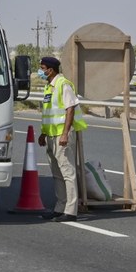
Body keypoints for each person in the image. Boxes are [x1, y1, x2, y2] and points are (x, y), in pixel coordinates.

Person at [37, 56, 88, 222]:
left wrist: (65, 133)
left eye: (43, 68)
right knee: (57, 173)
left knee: (68, 172)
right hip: (51, 135)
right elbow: (49, 114)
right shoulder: (49, 87)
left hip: (62, 135)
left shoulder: (63, 84)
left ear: (50, 70)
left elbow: (70, 110)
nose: (41, 72)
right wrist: (44, 133)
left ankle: (71, 211)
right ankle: (60, 208)